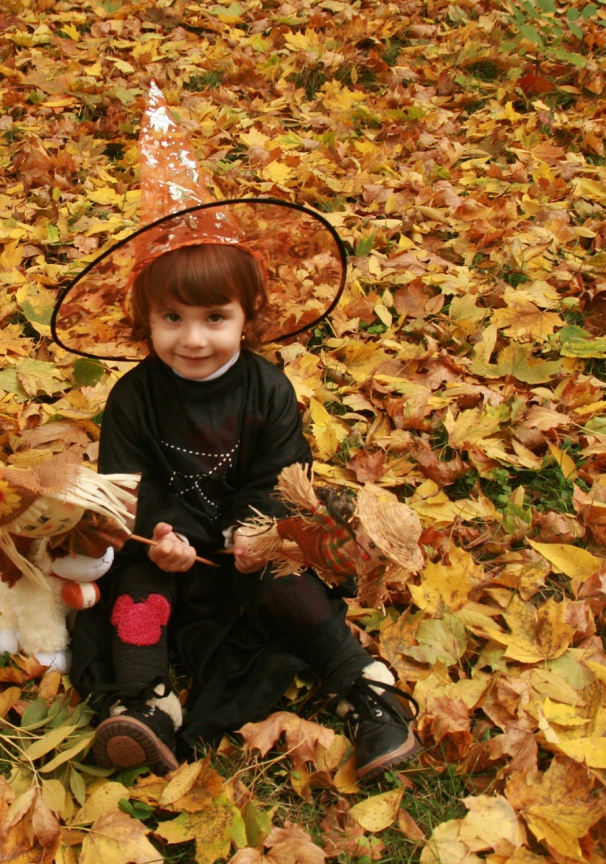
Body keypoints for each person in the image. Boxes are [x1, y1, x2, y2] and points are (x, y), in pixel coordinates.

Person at [50, 84, 420, 780]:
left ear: (249, 316)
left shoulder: (266, 389)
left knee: (287, 582)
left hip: (246, 544)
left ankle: (365, 687)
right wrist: (163, 536)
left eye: (214, 318)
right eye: (172, 320)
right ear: (145, 319)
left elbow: (279, 475)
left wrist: (250, 535)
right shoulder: (133, 396)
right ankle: (146, 701)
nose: (193, 340)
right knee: (130, 587)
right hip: (167, 547)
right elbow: (129, 484)